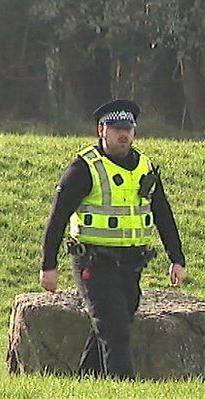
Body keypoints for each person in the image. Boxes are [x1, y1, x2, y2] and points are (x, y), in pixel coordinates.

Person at [39, 99, 187, 379]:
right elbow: (57, 218)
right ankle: (124, 393)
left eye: (128, 128)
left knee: (109, 329)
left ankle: (87, 383)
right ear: (101, 130)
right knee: (114, 329)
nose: (124, 134)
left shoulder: (145, 167)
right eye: (117, 128)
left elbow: (163, 214)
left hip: (131, 265)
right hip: (93, 263)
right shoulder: (84, 169)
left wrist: (176, 258)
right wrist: (48, 266)